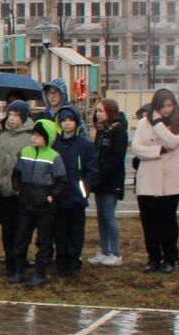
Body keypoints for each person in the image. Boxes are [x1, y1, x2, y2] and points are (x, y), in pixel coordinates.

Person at [131, 89, 179, 273]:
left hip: (171, 180)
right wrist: (157, 151)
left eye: (169, 106)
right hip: (148, 179)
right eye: (162, 106)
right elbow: (137, 148)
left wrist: (157, 124)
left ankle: (170, 257)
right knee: (150, 222)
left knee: (168, 221)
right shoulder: (142, 123)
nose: (166, 110)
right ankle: (153, 257)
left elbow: (172, 142)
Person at [10, 119, 65, 288]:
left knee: (44, 240)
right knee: (21, 237)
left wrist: (51, 197)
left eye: (38, 135)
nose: (34, 138)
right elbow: (16, 174)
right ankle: (19, 270)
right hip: (26, 203)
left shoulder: (54, 156)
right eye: (33, 134)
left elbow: (62, 180)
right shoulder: (25, 152)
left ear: (47, 137)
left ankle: (41, 273)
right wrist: (18, 189)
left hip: (44, 205)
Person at [50, 106, 97, 276]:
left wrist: (84, 188)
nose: (67, 123)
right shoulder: (55, 144)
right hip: (59, 197)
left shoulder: (85, 144)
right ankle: (61, 261)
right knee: (60, 230)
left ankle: (74, 261)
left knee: (76, 231)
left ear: (76, 123)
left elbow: (91, 169)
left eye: (70, 120)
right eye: (64, 120)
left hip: (77, 197)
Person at [0, 99, 35, 280]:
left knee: (21, 230)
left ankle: (20, 263)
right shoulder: (2, 136)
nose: (12, 118)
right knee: (7, 229)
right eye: (10, 114)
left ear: (23, 117)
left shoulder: (30, 137)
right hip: (4, 190)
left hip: (21, 193)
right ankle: (10, 261)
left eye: (16, 115)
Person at [90, 98, 129, 266]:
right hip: (100, 180)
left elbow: (116, 159)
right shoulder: (101, 131)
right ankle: (105, 250)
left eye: (101, 111)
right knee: (101, 216)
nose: (98, 114)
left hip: (111, 180)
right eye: (97, 111)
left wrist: (101, 175)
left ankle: (115, 252)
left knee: (108, 215)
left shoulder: (118, 132)